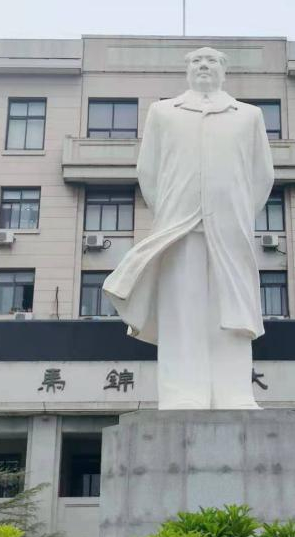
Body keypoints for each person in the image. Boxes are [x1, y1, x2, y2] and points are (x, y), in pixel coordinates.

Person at [103, 47, 275, 409]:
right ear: (187, 70)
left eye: (211, 61)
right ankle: (183, 393)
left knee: (231, 312)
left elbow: (262, 176)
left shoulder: (248, 115)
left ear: (224, 70)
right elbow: (148, 172)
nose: (204, 66)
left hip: (230, 228)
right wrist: (172, 207)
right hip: (179, 226)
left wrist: (236, 209)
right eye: (197, 61)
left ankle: (234, 393)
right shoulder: (164, 112)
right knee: (183, 313)